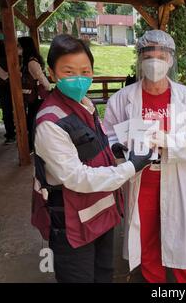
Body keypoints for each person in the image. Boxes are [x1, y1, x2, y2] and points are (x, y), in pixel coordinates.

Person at [32, 34, 153, 283]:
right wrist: (131, 167)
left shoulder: (84, 104)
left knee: (103, 274)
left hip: (100, 214)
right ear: (52, 74)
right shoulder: (50, 122)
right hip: (71, 222)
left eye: (85, 71)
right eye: (69, 71)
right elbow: (76, 177)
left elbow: (89, 146)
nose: (79, 78)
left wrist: (113, 150)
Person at [103, 30, 186, 283]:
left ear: (171, 60)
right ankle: (155, 281)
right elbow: (108, 137)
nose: (154, 61)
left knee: (182, 240)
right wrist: (123, 150)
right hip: (142, 180)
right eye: (148, 55)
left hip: (176, 176)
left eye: (161, 55)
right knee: (147, 237)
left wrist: (168, 143)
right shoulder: (122, 99)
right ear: (140, 59)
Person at [17, 37, 51, 150]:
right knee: (32, 119)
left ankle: (33, 145)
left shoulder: (31, 62)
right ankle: (33, 144)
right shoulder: (27, 60)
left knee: (33, 120)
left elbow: (42, 79)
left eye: (19, 46)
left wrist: (49, 89)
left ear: (25, 47)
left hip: (36, 97)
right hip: (33, 96)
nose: (17, 48)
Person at [0, 40, 16, 144]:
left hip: (4, 87)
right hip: (12, 86)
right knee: (12, 110)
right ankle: (13, 133)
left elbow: (4, 76)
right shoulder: (12, 57)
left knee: (7, 111)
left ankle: (11, 134)